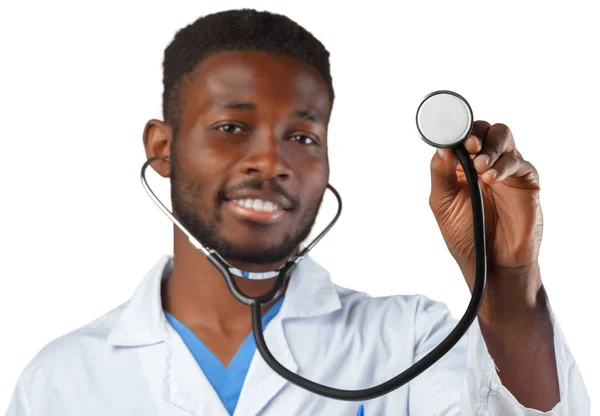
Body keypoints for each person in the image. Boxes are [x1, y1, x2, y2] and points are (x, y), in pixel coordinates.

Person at [6, 8, 590, 416]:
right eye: (231, 127)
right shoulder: (60, 379)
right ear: (162, 148)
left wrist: (509, 287)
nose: (271, 160)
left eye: (303, 137)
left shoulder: (410, 341)